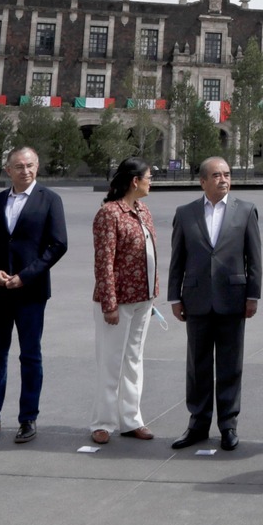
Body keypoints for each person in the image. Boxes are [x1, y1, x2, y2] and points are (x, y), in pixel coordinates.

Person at [0, 146, 69, 444]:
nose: (25, 171)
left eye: (30, 165)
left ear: (37, 167)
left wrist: (27, 276)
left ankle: (28, 418)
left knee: (30, 355)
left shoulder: (49, 200)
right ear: (8, 170)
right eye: (19, 166)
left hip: (31, 291)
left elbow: (58, 245)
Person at [166, 156, 261, 451]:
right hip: (196, 299)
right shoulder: (185, 213)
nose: (224, 179)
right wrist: (174, 296)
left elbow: (254, 258)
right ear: (203, 181)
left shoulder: (245, 211)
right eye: (217, 175)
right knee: (198, 365)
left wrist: (253, 295)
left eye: (227, 174)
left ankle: (228, 425)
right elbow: (177, 258)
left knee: (231, 365)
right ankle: (198, 423)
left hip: (233, 299)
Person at [89, 157, 159, 445]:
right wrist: (109, 303)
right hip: (117, 301)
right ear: (135, 181)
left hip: (143, 299)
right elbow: (104, 261)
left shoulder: (142, 210)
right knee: (110, 361)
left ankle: (131, 419)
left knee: (133, 360)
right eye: (148, 177)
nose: (151, 181)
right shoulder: (110, 213)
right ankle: (103, 422)